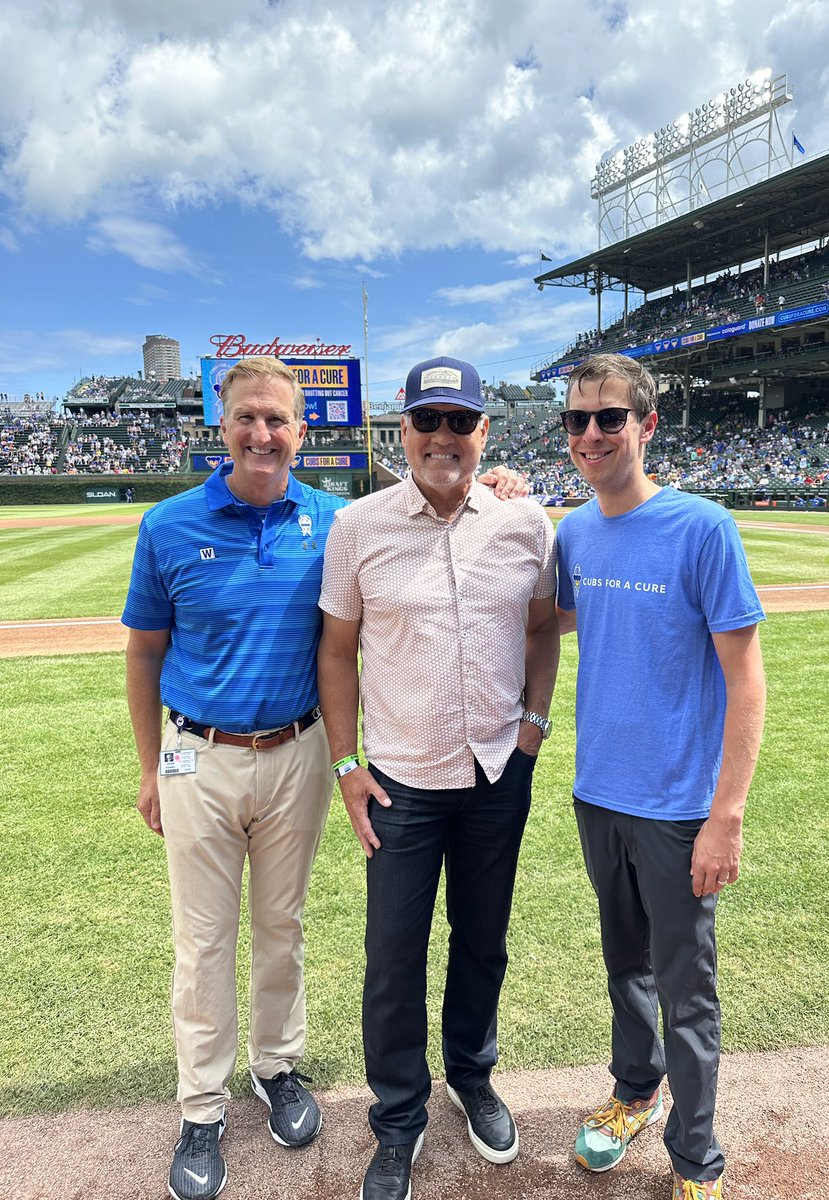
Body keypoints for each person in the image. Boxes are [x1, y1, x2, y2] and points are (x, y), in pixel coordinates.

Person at [122, 355, 526, 1200]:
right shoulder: (169, 525)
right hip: (199, 751)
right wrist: (148, 769)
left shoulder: (334, 521)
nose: (263, 434)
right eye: (247, 418)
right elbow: (145, 654)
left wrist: (508, 490)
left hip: (300, 751)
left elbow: (509, 596)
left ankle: (279, 1070)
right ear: (221, 426)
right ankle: (202, 1107)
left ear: (303, 432)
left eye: (278, 420)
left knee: (283, 926)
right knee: (203, 941)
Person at [317, 356, 560, 1200]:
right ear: (403, 430)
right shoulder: (360, 527)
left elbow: (541, 633)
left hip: (497, 770)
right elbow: (334, 654)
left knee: (482, 941)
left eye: (462, 421)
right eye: (429, 420)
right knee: (392, 957)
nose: (445, 437)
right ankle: (397, 1118)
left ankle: (471, 1075)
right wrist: (346, 765)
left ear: (484, 431)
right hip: (401, 782)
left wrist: (534, 727)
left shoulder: (525, 523)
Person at [554, 355, 766, 1200]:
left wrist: (728, 814)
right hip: (598, 792)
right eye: (577, 421)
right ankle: (634, 1092)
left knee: (688, 990)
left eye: (609, 418)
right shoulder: (573, 533)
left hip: (679, 808)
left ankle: (696, 1160)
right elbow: (566, 619)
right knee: (625, 967)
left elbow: (746, 677)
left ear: (646, 425)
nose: (592, 434)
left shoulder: (703, 528)